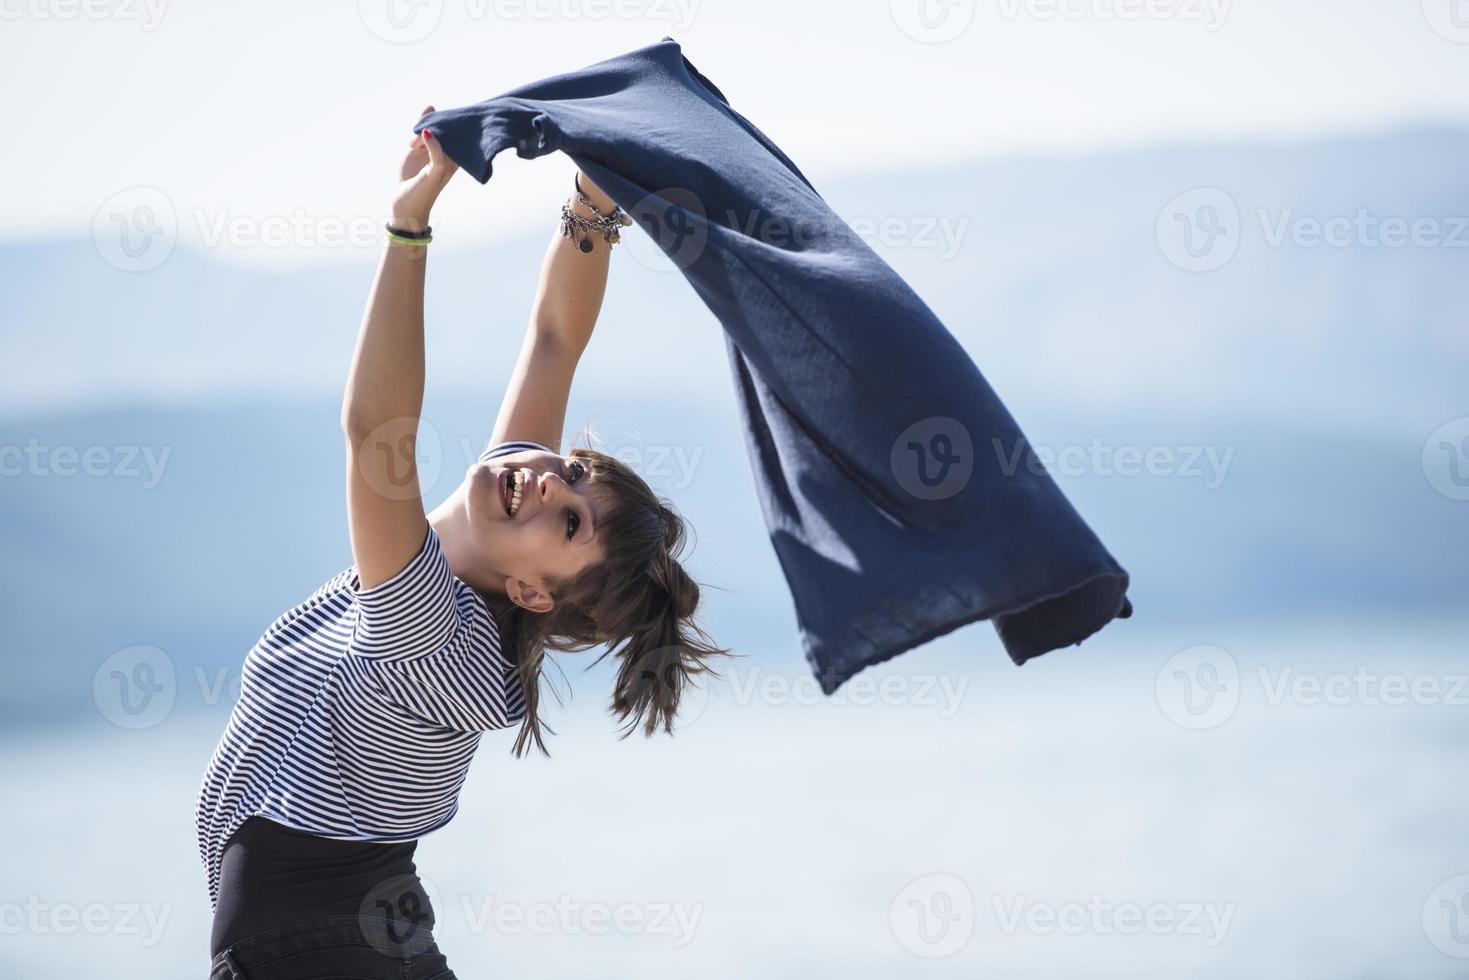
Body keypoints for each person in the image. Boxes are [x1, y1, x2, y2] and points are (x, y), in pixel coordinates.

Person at [197, 105, 728, 979]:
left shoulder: (433, 631)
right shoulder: (497, 523)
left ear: (532, 593)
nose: (551, 483)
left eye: (567, 523)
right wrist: (596, 195)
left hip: (318, 956)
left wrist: (410, 226)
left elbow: (378, 432)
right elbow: (553, 340)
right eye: (577, 475)